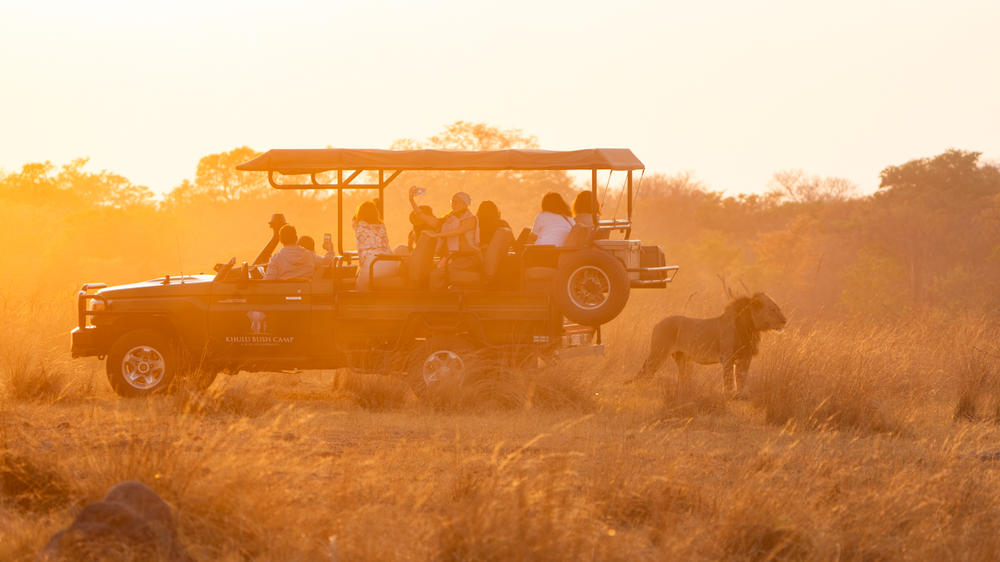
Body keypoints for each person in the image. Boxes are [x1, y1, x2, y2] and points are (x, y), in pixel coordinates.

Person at [353, 200, 399, 289]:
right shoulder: (382, 226)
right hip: (391, 264)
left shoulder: (359, 227)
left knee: (359, 285)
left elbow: (354, 221)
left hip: (374, 264)